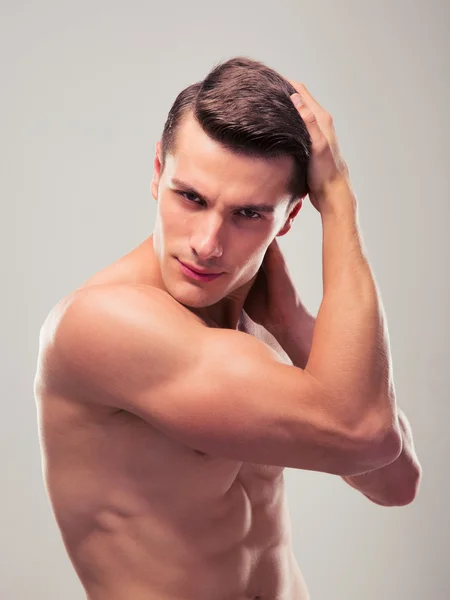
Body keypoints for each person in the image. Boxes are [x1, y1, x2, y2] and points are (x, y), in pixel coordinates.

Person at [34, 57, 422, 600]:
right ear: (156, 172)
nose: (207, 244)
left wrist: (288, 320)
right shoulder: (104, 323)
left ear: (288, 219)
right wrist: (339, 201)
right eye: (190, 198)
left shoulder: (260, 327)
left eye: (248, 215)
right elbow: (365, 434)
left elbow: (395, 480)